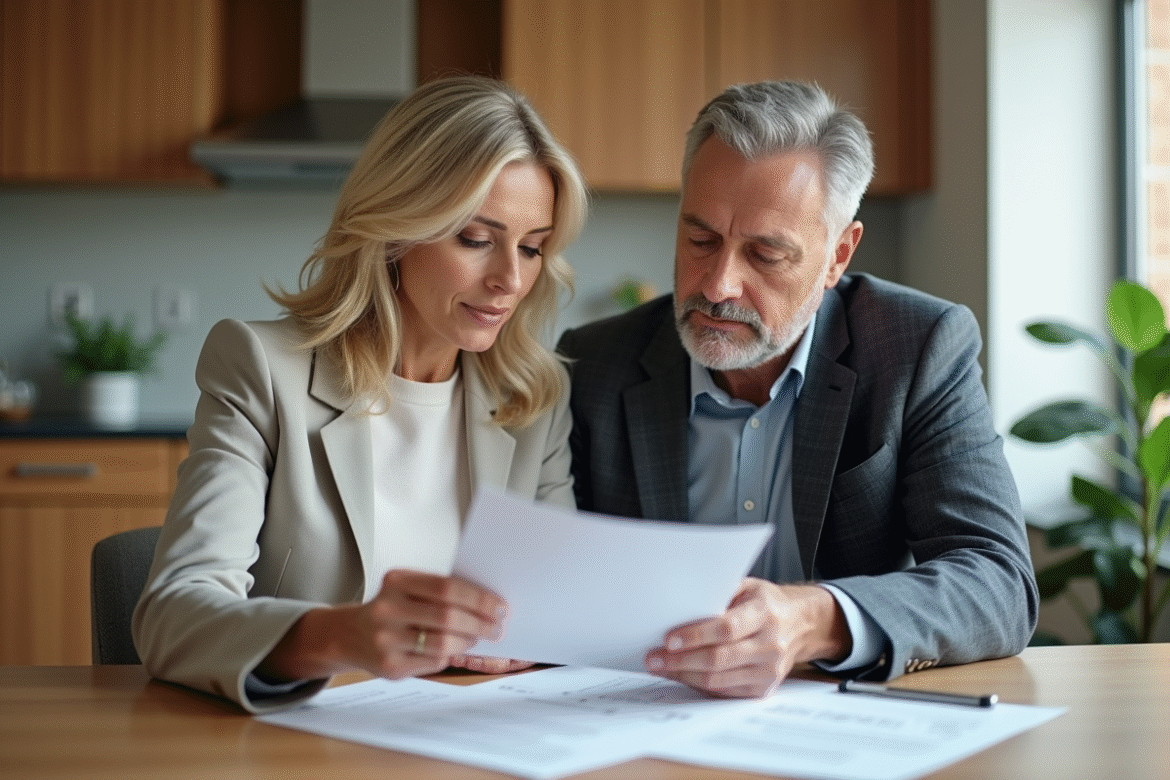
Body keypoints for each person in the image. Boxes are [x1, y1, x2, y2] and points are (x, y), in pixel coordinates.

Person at [557, 80, 1038, 698]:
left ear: (838, 255)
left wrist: (814, 620)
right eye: (700, 239)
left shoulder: (916, 348)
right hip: (643, 720)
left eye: (765, 254)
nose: (719, 285)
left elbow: (999, 582)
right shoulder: (595, 363)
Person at [133, 76, 588, 713]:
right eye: (475, 240)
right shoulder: (263, 370)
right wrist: (343, 635)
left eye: (533, 247)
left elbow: (557, 611)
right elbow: (173, 618)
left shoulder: (536, 398)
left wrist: (539, 635)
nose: (511, 279)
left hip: (473, 745)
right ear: (397, 229)